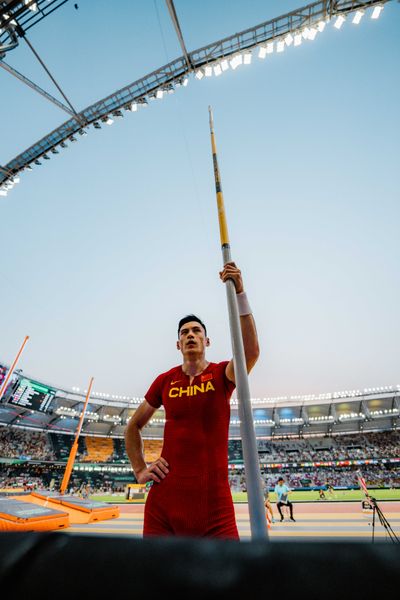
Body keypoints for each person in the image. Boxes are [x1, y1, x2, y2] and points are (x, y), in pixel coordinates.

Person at [124, 262, 259, 539]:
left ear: (207, 341)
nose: (190, 335)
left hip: (215, 505)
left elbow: (250, 352)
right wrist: (139, 468)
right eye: (184, 332)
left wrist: (240, 294)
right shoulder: (165, 380)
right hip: (164, 503)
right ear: (178, 344)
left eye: (196, 331)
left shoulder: (221, 374)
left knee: (227, 578)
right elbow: (132, 426)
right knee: (159, 579)